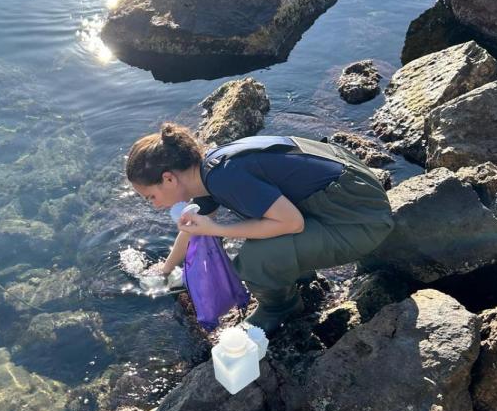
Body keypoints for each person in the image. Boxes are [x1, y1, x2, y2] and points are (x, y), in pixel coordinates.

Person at [126, 122, 394, 331]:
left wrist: (216, 230)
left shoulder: (226, 178)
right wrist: (166, 270)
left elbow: (292, 223)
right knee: (264, 225)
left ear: (169, 179)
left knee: (255, 258)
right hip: (351, 191)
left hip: (361, 219)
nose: (155, 205)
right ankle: (301, 273)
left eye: (151, 197)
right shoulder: (210, 169)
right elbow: (190, 228)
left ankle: (281, 308)